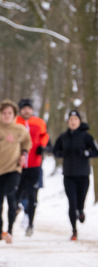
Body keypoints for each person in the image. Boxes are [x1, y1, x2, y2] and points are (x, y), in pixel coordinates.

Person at [53, 110, 98, 241]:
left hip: (83, 175)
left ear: (79, 121)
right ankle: (74, 230)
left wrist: (85, 153)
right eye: (71, 120)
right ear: (68, 122)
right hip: (68, 175)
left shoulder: (86, 136)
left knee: (80, 202)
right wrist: (62, 153)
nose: (73, 122)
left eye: (75, 119)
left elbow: (97, 152)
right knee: (71, 203)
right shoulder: (63, 137)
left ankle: (81, 210)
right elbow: (55, 151)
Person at [15, 98, 50, 236]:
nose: (27, 110)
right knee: (15, 194)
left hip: (35, 164)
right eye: (24, 108)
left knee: (32, 195)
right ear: (20, 110)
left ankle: (30, 223)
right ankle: (12, 220)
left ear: (32, 109)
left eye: (29, 108)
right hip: (17, 165)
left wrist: (42, 146)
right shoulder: (15, 122)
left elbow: (45, 136)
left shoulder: (39, 122)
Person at [0, 100, 32, 244]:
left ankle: (10, 230)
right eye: (4, 113)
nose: (6, 116)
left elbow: (27, 142)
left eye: (10, 113)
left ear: (14, 115)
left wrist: (24, 154)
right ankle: (1, 231)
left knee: (11, 196)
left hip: (14, 169)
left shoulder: (20, 129)